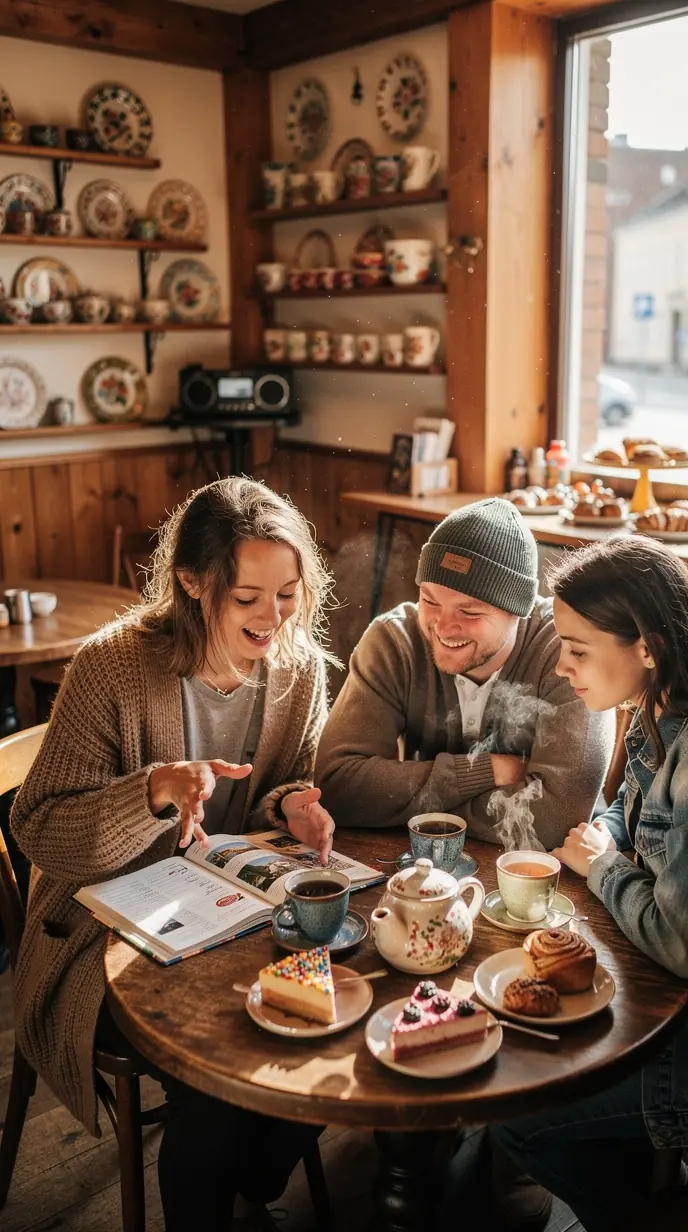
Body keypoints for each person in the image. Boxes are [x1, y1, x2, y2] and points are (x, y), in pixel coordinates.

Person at [11, 477, 338, 1232]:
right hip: (101, 937)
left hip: (231, 919)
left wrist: (290, 801)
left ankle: (253, 1178)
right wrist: (151, 790)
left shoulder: (300, 671)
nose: (272, 618)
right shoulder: (111, 669)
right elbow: (39, 830)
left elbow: (271, 791)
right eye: (247, 596)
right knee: (220, 1072)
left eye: (288, 593)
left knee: (331, 1023)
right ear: (191, 583)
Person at [492, 536, 688, 1232]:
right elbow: (625, 811)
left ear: (648, 644)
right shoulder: (668, 704)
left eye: (578, 648)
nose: (560, 664)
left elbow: (682, 945)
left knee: (519, 1112)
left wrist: (603, 866)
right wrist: (604, 844)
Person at [316, 498, 614, 846]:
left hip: (551, 874)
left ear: (518, 610)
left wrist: (406, 802)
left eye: (469, 613)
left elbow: (552, 822)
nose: (443, 627)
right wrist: (487, 770)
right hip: (424, 863)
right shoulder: (394, 642)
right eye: (430, 601)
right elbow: (337, 786)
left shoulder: (566, 651)